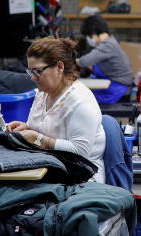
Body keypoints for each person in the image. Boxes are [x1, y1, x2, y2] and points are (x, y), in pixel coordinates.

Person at [6, 37, 107, 183]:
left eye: (38, 71)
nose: (33, 78)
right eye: (30, 71)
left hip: (82, 179)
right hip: (50, 168)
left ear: (59, 67)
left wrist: (36, 138)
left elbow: (80, 152)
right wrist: (26, 127)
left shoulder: (80, 102)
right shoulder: (43, 93)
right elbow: (43, 128)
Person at [77, 14, 135, 104]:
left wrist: (73, 60)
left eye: (89, 36)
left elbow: (84, 61)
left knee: (84, 99)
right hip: (118, 84)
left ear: (93, 33)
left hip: (118, 89)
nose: (89, 39)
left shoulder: (107, 45)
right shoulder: (111, 41)